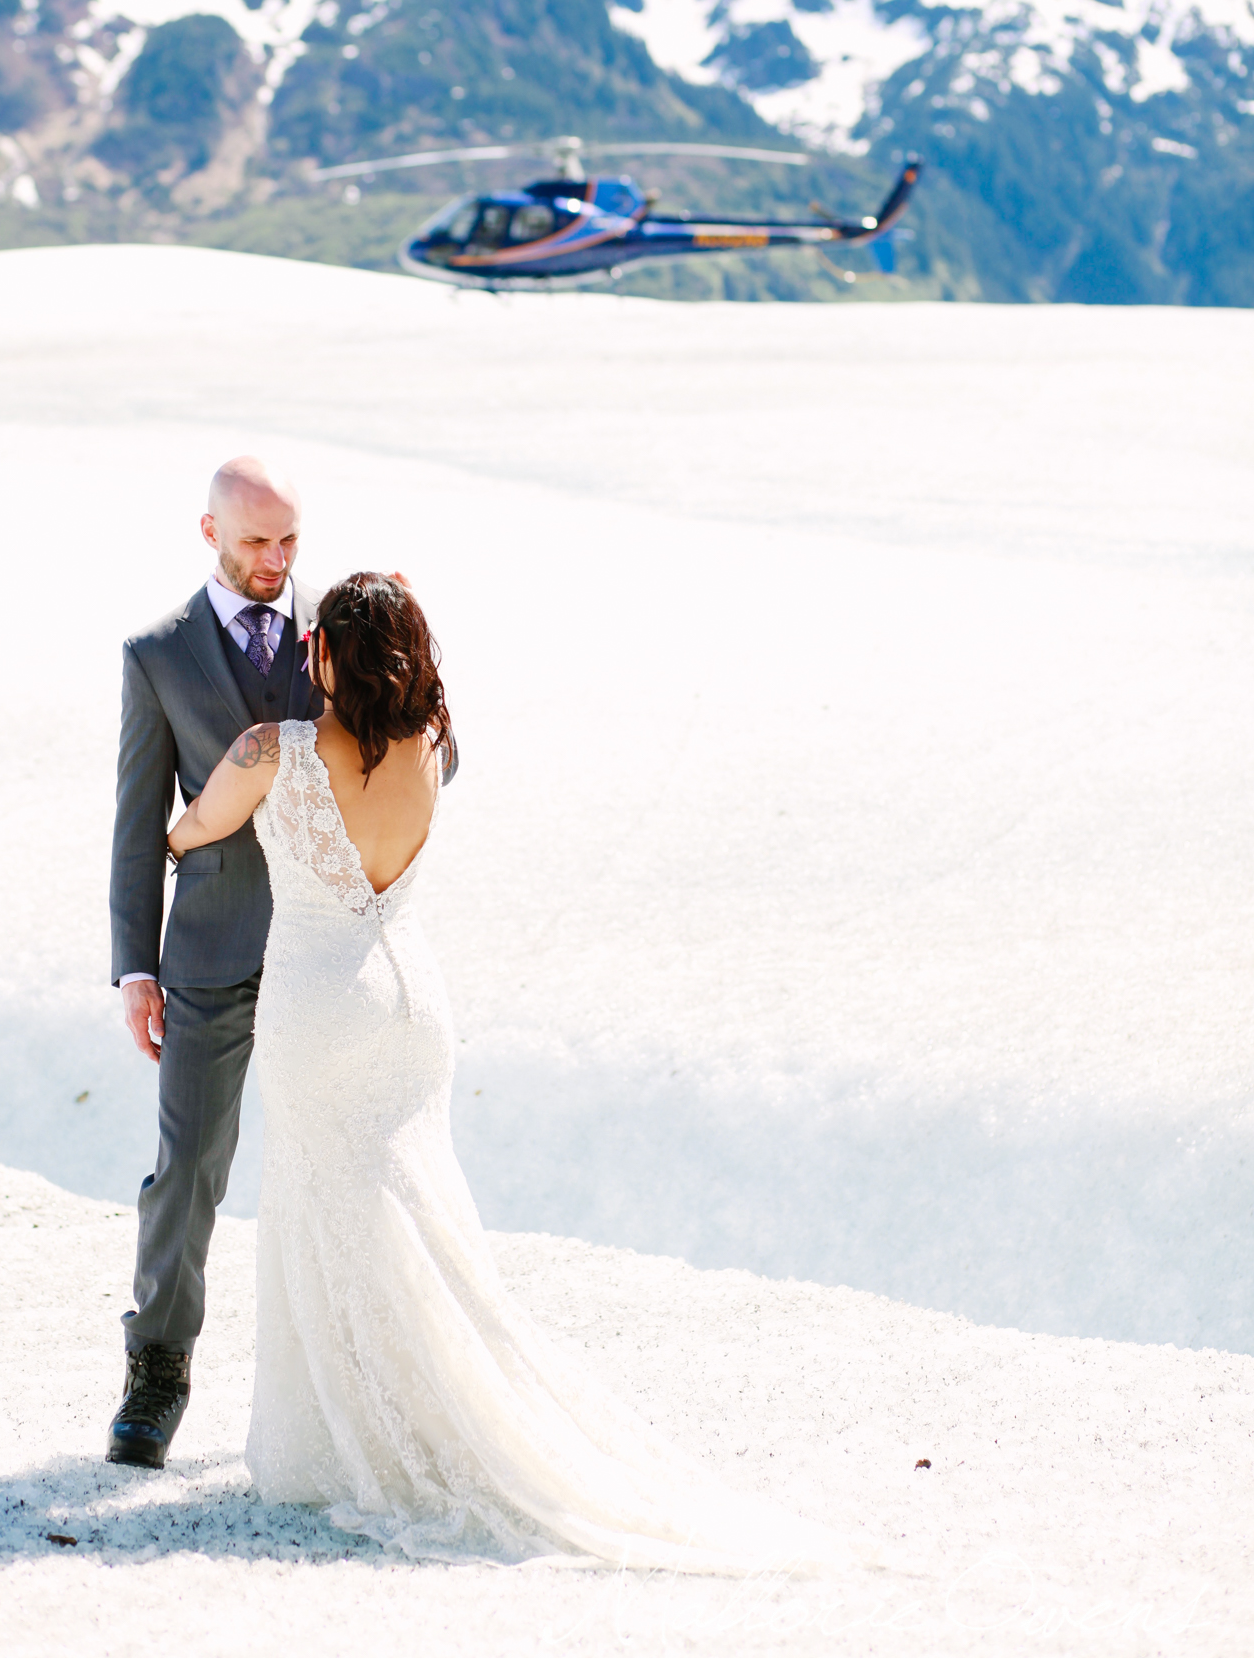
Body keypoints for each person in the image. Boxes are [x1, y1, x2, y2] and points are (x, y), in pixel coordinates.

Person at [163, 569, 853, 1572]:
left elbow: (195, 827)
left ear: (325, 655)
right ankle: (434, 1398)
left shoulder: (274, 751)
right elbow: (393, 670)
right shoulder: (429, 744)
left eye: (313, 639)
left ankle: (343, 1432)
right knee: (413, 1206)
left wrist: (164, 834)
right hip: (413, 1005)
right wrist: (386, 607)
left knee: (326, 1205)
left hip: (321, 1003)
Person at [105, 457, 331, 1469]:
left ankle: (347, 1379)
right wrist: (134, 966)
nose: (276, 562)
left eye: (289, 541)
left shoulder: (333, 636)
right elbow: (134, 818)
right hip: (206, 953)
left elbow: (423, 753)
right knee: (189, 1166)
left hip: (327, 947)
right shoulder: (155, 652)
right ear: (209, 532)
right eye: (255, 543)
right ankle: (157, 1368)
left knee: (337, 1164)